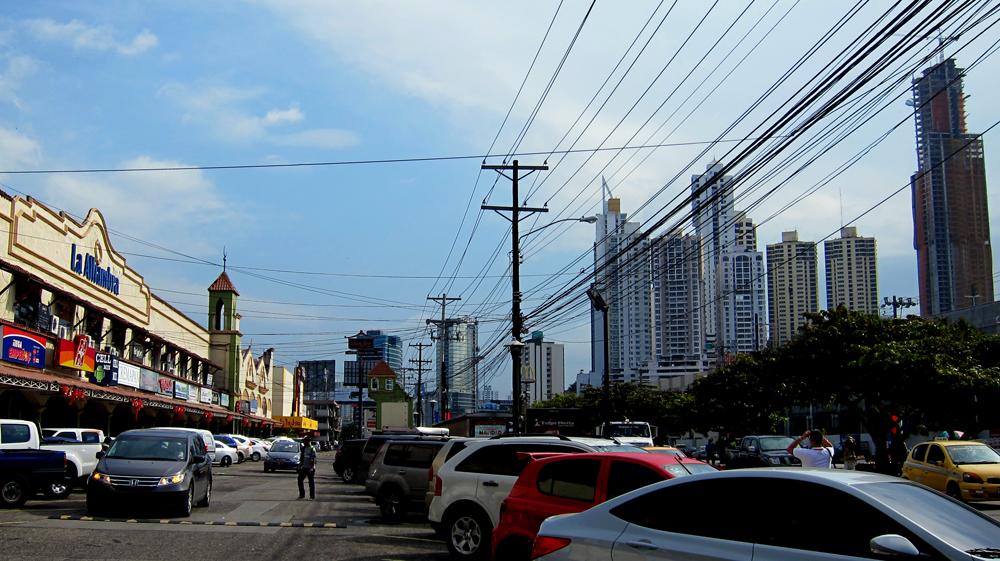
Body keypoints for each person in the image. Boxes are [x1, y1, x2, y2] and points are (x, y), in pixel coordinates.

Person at [297, 436, 317, 500]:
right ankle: (302, 495)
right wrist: (300, 465)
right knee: (300, 480)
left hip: (310, 468)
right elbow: (302, 458)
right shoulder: (303, 448)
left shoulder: (312, 448)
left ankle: (312, 496)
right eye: (304, 441)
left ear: (308, 442)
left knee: (311, 482)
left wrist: (312, 467)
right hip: (304, 467)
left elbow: (313, 459)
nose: (304, 443)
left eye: (305, 441)